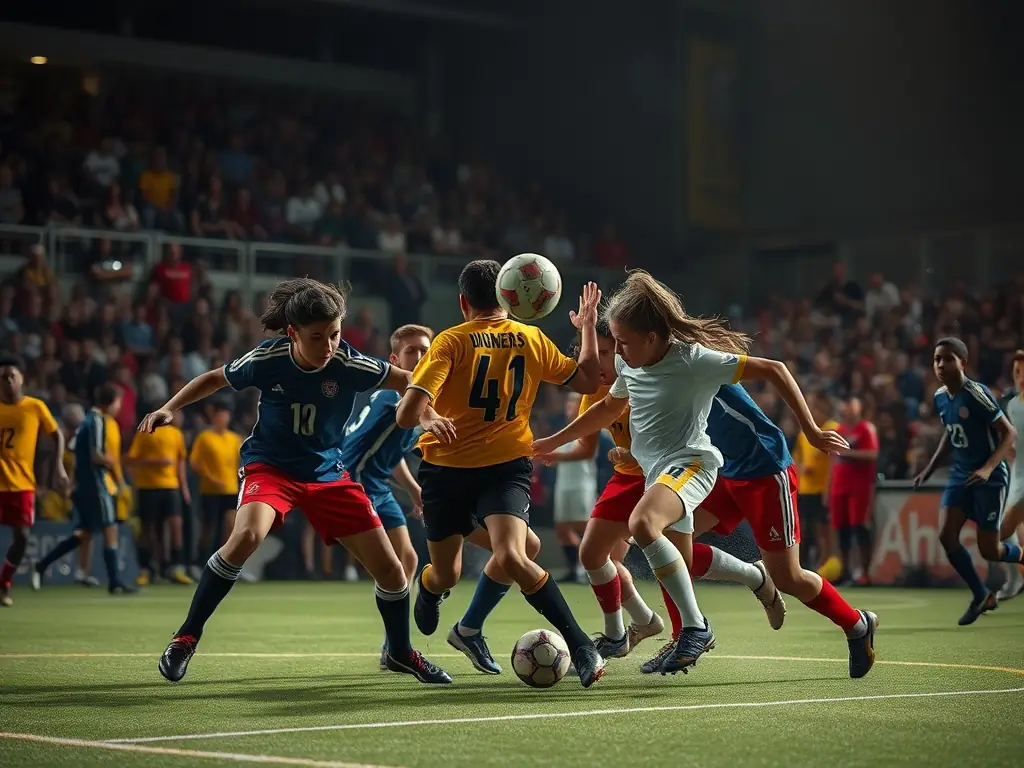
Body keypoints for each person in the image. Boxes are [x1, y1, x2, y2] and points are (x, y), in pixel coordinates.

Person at [532, 270, 861, 676]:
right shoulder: (630, 360)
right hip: (685, 471)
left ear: (652, 337)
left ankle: (850, 623)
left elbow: (774, 368)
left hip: (741, 466)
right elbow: (607, 409)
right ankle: (706, 616)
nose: (615, 352)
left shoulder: (694, 361)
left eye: (621, 342)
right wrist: (552, 441)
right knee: (672, 556)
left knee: (651, 527)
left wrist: (811, 430)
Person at [143, 278, 454, 684]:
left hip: (327, 472)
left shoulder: (350, 363)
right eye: (318, 337)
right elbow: (214, 378)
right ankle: (185, 637)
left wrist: (427, 415)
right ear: (292, 333)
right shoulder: (266, 358)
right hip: (270, 467)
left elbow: (411, 383)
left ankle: (398, 651)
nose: (329, 346)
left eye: (336, 334)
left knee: (394, 573)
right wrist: (170, 408)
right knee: (246, 538)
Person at [395, 260, 607, 688]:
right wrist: (586, 327)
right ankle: (431, 588)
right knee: (447, 573)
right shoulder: (531, 337)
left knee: (514, 554)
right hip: (454, 471)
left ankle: (582, 644)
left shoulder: (451, 341)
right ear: (513, 297)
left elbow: (404, 416)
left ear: (461, 302)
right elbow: (589, 380)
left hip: (492, 468)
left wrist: (424, 416)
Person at [340, 323, 434, 668]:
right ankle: (396, 649)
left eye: (426, 350)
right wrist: (431, 417)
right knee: (394, 566)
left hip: (378, 484)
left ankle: (392, 648)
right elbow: (396, 420)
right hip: (354, 481)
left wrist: (414, 490)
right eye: (411, 351)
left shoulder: (418, 398)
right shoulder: (391, 394)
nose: (420, 356)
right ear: (395, 359)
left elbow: (392, 455)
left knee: (409, 560)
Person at [914, 338, 1021, 625]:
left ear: (963, 362)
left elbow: (1009, 433)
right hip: (961, 475)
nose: (940, 364)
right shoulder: (939, 396)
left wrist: (987, 468)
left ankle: (1021, 555)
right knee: (946, 536)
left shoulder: (976, 393)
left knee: (990, 550)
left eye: (947, 359)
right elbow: (951, 432)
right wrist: (930, 467)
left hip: (991, 478)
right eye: (937, 359)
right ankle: (981, 594)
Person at [32, 384, 134, 595]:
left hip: (84, 484)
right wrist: (111, 460)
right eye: (118, 403)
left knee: (83, 534)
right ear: (110, 402)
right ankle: (114, 581)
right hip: (96, 483)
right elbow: (96, 455)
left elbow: (73, 449)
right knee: (110, 528)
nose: (118, 407)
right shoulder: (97, 421)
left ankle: (42, 564)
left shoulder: (86, 420)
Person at [0, 354, 69, 606]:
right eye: (3, 378)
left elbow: (57, 435)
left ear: (21, 380)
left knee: (23, 539)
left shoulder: (35, 406)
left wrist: (60, 465)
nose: (7, 381)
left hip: (21, 484)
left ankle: (4, 583)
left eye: (12, 377)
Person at [127, 409, 192, 585]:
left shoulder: (176, 434)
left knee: (175, 525)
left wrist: (184, 487)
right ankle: (145, 569)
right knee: (147, 529)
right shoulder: (144, 432)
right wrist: (154, 463)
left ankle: (176, 568)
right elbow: (131, 459)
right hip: (148, 487)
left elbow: (180, 462)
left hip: (171, 487)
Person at [188, 400, 243, 577]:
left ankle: (224, 565)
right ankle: (200, 562)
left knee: (229, 527)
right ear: (214, 416)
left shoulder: (234, 439)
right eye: (220, 414)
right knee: (209, 528)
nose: (223, 418)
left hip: (230, 489)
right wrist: (210, 477)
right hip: (210, 490)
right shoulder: (204, 438)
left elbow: (240, 462)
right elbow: (194, 463)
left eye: (226, 415)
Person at [829, 397, 879, 585]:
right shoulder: (839, 430)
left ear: (860, 408)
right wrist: (829, 489)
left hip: (859, 487)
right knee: (842, 531)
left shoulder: (866, 428)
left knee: (860, 528)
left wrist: (847, 453)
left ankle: (865, 573)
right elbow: (833, 463)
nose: (848, 408)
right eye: (846, 405)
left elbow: (872, 454)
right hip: (839, 487)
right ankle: (846, 571)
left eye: (852, 405)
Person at [551, 392, 597, 583]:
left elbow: (585, 454)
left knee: (584, 527)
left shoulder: (589, 427)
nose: (569, 407)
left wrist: (553, 456)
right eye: (568, 404)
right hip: (563, 485)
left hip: (582, 485)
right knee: (562, 528)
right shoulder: (564, 431)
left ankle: (589, 569)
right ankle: (574, 569)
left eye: (574, 404)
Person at [793, 393, 840, 570]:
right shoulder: (804, 433)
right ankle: (804, 564)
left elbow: (836, 460)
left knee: (822, 529)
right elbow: (796, 456)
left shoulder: (832, 429)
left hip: (822, 488)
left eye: (815, 407)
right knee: (804, 529)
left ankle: (824, 563)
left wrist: (829, 487)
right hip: (805, 488)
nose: (812, 411)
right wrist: (801, 467)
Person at [995, 350, 1024, 600]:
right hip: (1017, 473)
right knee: (1003, 528)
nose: (1021, 375)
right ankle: (1015, 576)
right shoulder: (1008, 401)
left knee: (1002, 530)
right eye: (1017, 370)